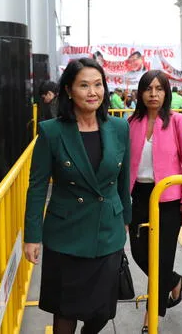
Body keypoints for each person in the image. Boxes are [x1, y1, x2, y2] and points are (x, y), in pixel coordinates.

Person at [23, 58, 131, 334]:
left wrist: (125, 220)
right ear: (69, 90)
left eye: (98, 84)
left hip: (107, 231)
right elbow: (36, 187)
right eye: (84, 85)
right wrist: (32, 236)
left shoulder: (119, 128)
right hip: (66, 235)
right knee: (66, 311)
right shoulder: (52, 131)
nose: (93, 92)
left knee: (102, 312)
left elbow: (122, 179)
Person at [128, 70, 182, 333]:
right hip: (138, 198)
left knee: (161, 258)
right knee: (138, 253)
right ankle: (175, 281)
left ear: (167, 92)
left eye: (159, 89)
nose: (153, 94)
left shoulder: (179, 121)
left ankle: (151, 320)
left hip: (169, 199)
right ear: (140, 92)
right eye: (148, 89)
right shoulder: (131, 122)